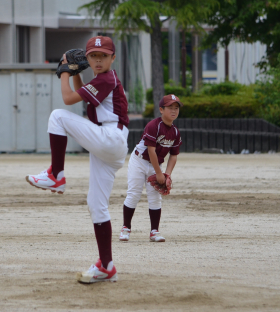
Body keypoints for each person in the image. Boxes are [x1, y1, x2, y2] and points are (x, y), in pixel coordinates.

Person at [25, 35, 128, 284]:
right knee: (96, 204)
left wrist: (63, 72)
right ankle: (106, 266)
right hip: (109, 146)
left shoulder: (107, 78)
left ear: (113, 58)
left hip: (109, 138)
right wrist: (76, 74)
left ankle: (56, 175)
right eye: (93, 55)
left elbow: (69, 99)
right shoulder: (101, 81)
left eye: (103, 55)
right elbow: (82, 94)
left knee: (58, 116)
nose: (98, 60)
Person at [119, 94, 182, 243]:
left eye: (176, 108)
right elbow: (151, 151)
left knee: (155, 197)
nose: (174, 111)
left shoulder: (175, 132)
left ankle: (154, 231)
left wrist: (167, 174)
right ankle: (125, 228)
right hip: (139, 161)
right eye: (170, 108)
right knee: (134, 193)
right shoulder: (154, 125)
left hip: (155, 165)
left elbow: (173, 155)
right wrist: (159, 173)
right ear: (161, 109)